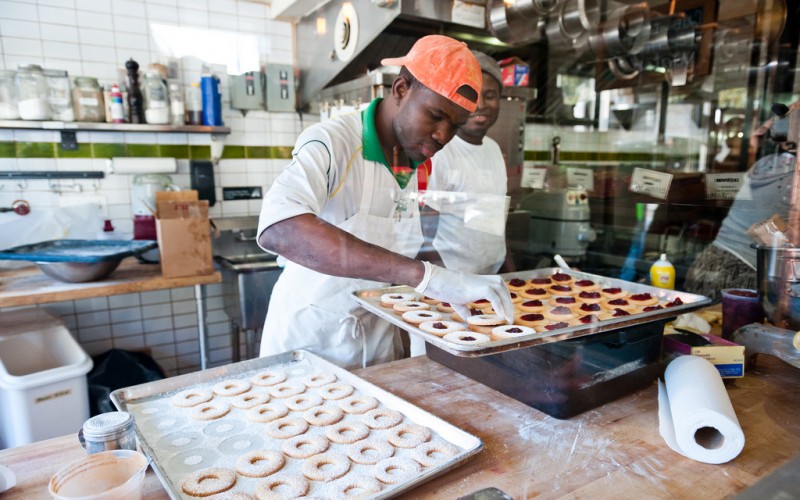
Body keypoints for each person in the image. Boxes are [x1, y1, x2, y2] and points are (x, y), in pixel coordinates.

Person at [256, 35, 515, 369]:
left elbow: (411, 245)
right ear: (402, 88)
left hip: (380, 340)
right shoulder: (333, 142)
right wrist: (425, 276)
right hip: (312, 339)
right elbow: (279, 228)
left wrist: (450, 285)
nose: (442, 136)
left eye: (455, 125)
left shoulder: (420, 163)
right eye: (436, 115)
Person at [684, 101, 798, 301]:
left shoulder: (765, 165)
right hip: (744, 276)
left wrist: (772, 127)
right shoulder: (791, 175)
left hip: (709, 263)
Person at [418, 50, 515, 275]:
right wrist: (449, 285)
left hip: (491, 276)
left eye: (490, 96)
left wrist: (511, 273)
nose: (479, 105)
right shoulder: (440, 151)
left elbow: (496, 222)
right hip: (454, 281)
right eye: (472, 96)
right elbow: (422, 233)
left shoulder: (493, 149)